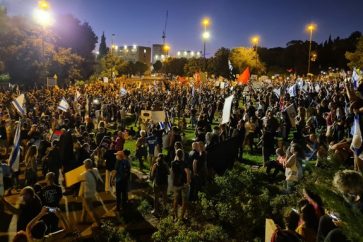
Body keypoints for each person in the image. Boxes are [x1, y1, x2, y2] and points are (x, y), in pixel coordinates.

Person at [79, 158, 102, 226]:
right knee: (85, 206)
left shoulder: (84, 174)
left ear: (85, 166)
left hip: (87, 193)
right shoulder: (95, 170)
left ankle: (98, 223)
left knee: (90, 208)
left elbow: (77, 178)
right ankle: (83, 219)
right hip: (92, 191)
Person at [171, 149, 191, 220]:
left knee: (175, 200)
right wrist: (188, 182)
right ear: (183, 155)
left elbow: (172, 174)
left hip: (176, 184)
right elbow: (187, 172)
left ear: (176, 155)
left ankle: (176, 216)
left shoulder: (173, 163)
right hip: (183, 184)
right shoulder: (184, 163)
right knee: (184, 201)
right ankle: (182, 217)